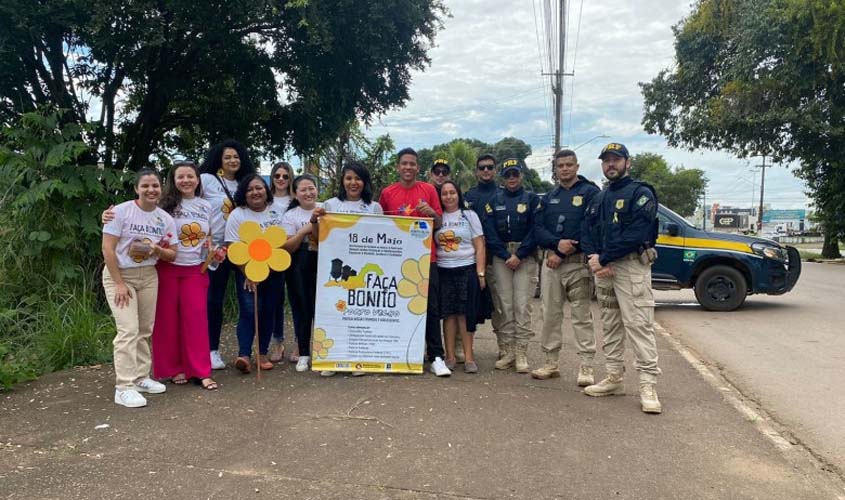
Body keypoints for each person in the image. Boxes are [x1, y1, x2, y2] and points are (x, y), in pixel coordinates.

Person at [581, 142, 663, 414]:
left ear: (628, 163)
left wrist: (604, 258)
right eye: (606, 161)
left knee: (639, 324)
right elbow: (587, 230)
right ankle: (614, 377)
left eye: (616, 160)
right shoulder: (599, 197)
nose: (610, 165)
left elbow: (638, 232)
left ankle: (648, 384)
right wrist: (595, 258)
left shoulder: (641, 193)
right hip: (603, 270)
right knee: (610, 324)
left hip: (630, 267)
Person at [102, 168, 178, 408]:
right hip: (120, 274)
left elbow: (172, 254)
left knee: (145, 328)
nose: (151, 190)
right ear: (136, 188)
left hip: (148, 275)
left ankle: (141, 378)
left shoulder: (164, 219)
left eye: (155, 185)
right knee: (128, 330)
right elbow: (107, 249)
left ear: (161, 189)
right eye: (145, 185)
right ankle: (123, 387)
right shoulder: (120, 212)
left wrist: (156, 249)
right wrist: (119, 283)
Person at [378, 147, 451, 377]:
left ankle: (436, 356)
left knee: (431, 308)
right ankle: (402, 353)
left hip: (425, 259)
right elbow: (380, 226)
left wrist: (431, 212)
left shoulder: (428, 190)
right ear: (398, 167)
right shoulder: (387, 193)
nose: (408, 167)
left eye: (412, 164)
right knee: (397, 306)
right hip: (396, 261)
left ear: (418, 168)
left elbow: (438, 223)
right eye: (404, 163)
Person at [530, 149, 599, 386]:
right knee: (549, 315)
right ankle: (550, 362)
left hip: (577, 265)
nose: (565, 169)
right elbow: (538, 229)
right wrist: (555, 245)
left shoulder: (590, 193)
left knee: (581, 316)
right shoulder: (549, 197)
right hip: (550, 264)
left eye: (570, 165)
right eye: (561, 166)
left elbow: (591, 227)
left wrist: (563, 251)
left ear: (577, 167)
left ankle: (587, 366)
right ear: (555, 169)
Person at [318, 162, 383, 377]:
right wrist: (314, 220)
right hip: (334, 268)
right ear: (342, 181)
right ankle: (330, 359)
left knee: (357, 313)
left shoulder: (374, 207)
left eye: (358, 178)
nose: (353, 183)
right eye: (348, 178)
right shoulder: (329, 204)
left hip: (359, 271)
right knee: (334, 312)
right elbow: (319, 236)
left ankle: (356, 359)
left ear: (365, 182)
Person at [199, 140, 257, 370]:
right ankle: (212, 350)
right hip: (217, 249)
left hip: (244, 247)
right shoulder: (207, 180)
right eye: (227, 157)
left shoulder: (246, 183)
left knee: (248, 300)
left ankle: (246, 352)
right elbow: (188, 203)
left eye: (236, 156)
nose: (233, 160)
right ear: (219, 160)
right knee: (214, 300)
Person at [481, 158, 540, 373]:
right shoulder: (494, 201)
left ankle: (522, 352)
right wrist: (506, 255)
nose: (512, 178)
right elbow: (489, 232)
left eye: (515, 174)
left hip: (525, 256)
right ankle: (508, 351)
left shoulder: (532, 200)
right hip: (501, 256)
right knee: (504, 305)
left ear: (521, 176)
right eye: (508, 175)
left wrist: (520, 254)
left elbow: (536, 229)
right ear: (502, 178)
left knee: (522, 305)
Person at [224, 174, 286, 374]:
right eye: (250, 189)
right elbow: (233, 247)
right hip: (248, 271)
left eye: (259, 188)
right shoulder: (238, 215)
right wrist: (248, 273)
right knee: (249, 311)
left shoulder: (277, 211)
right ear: (244, 193)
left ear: (266, 190)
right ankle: (243, 355)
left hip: (274, 270)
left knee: (269, 311)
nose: (255, 192)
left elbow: (283, 239)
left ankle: (262, 353)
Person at [434, 181, 487, 374]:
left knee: (465, 314)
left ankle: (469, 357)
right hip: (444, 270)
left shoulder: (469, 215)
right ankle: (450, 357)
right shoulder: (437, 218)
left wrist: (480, 273)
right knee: (448, 315)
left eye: (452, 193)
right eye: (445, 193)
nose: (448, 197)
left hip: (467, 269)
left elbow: (480, 245)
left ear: (458, 194)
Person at [281, 174, 323, 373]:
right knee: (303, 309)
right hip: (299, 264)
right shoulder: (290, 216)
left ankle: (326, 354)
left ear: (317, 189)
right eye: (303, 190)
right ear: (295, 194)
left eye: (311, 188)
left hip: (326, 263)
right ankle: (304, 353)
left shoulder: (327, 208)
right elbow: (287, 247)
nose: (308, 193)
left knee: (324, 309)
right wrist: (304, 230)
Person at [464, 153, 503, 360]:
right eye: (482, 167)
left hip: (496, 258)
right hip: (469, 260)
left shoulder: (503, 195)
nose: (486, 171)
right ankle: (462, 347)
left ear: (495, 169)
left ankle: (505, 348)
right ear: (476, 171)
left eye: (490, 167)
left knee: (500, 305)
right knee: (466, 305)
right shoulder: (468, 197)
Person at [268, 161, 294, 363]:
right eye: (277, 176)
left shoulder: (297, 200)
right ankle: (278, 342)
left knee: (297, 300)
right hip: (272, 256)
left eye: (285, 176)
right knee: (275, 301)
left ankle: (300, 344)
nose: (281, 180)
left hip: (295, 255)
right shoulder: (266, 201)